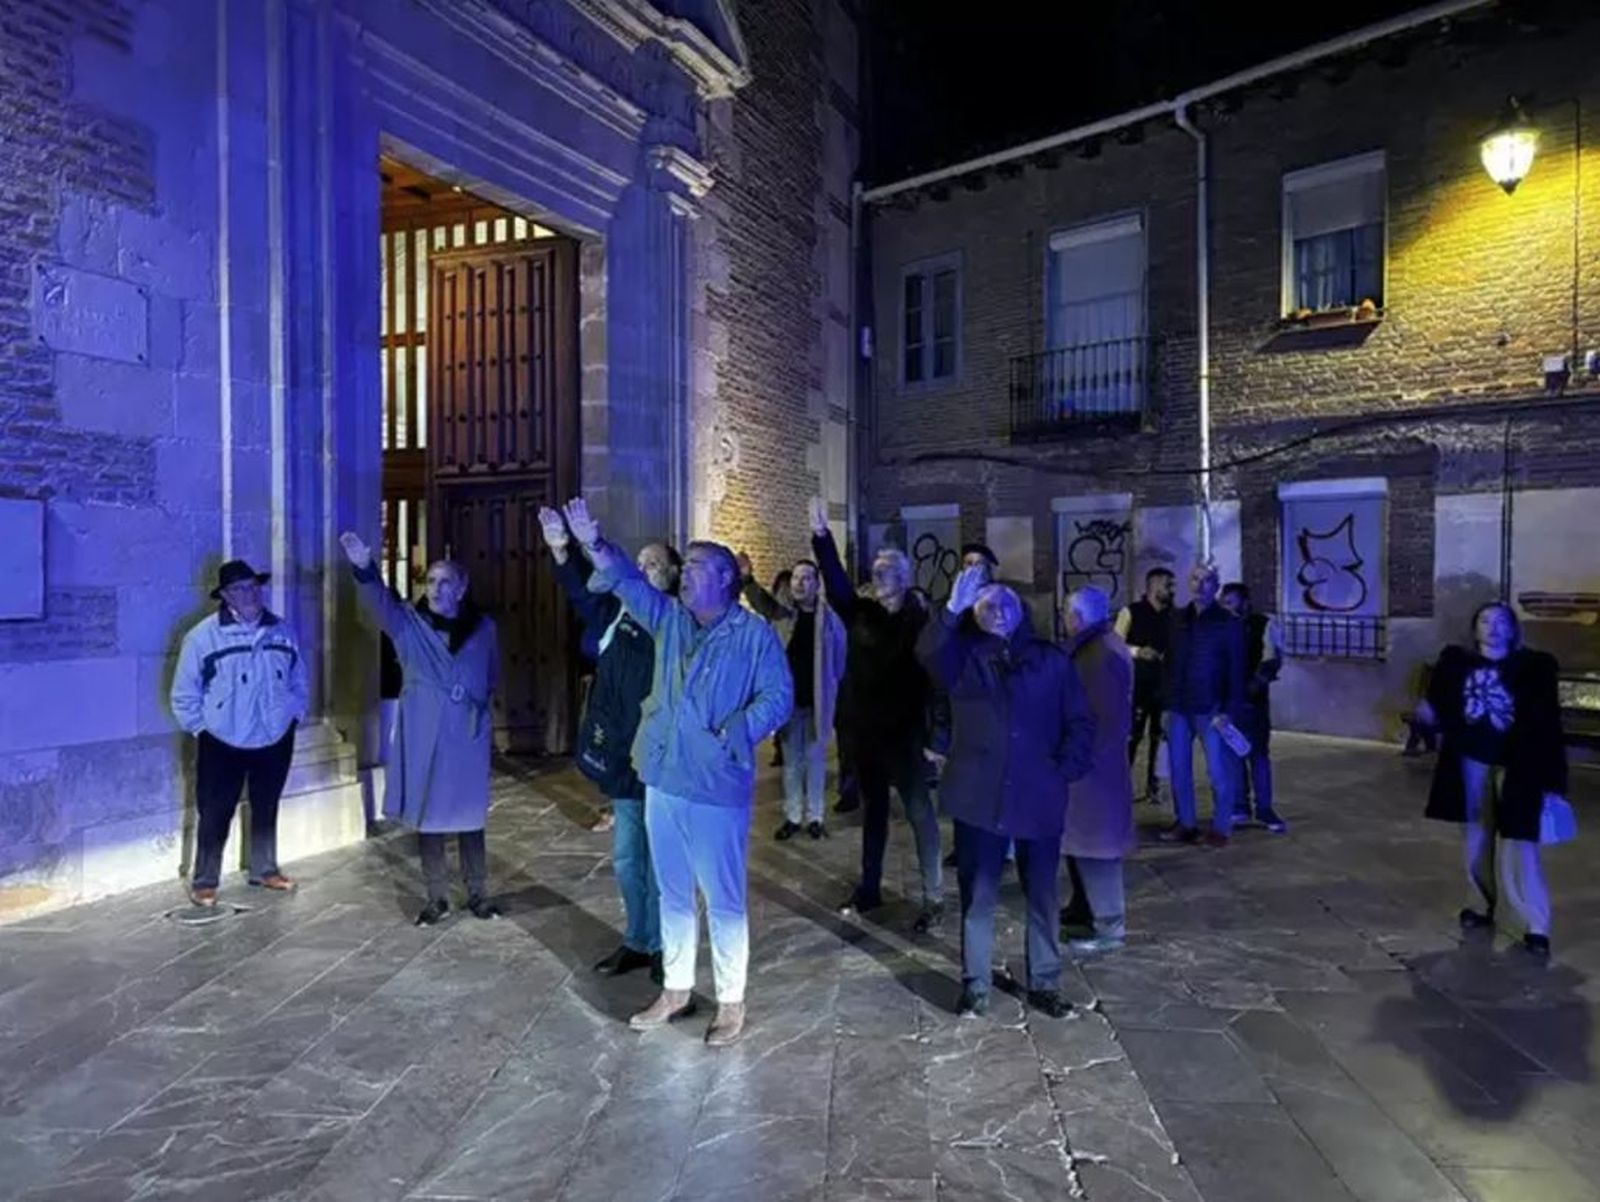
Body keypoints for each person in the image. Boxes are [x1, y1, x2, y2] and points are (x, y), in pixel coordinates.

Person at [563, 497, 792, 1046]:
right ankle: (676, 990)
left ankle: (731, 1002)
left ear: (725, 579)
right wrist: (593, 543)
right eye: (683, 566)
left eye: (695, 567)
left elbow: (779, 697)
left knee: (724, 899)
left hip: (715, 784)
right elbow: (627, 583)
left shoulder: (754, 636)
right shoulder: (669, 620)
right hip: (663, 776)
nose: (684, 575)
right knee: (672, 892)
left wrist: (737, 729)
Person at [918, 568, 1095, 1018]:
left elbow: (1079, 719)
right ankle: (975, 984)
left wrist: (1064, 768)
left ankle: (1045, 982)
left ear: (1021, 612)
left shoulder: (1051, 659)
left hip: (1038, 793)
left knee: (1042, 895)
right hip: (980, 797)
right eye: (987, 606)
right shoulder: (962, 658)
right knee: (978, 896)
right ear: (974, 615)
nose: (997, 611)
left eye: (1006, 604)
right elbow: (929, 653)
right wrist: (951, 610)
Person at [540, 506, 680, 983]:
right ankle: (637, 940)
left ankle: (665, 946)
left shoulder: (674, 619)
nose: (643, 570)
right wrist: (563, 551)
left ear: (673, 575)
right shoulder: (616, 613)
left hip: (661, 758)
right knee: (626, 858)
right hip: (623, 755)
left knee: (661, 861)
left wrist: (596, 546)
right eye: (638, 563)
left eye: (654, 564)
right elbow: (583, 593)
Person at [339, 532, 501, 926]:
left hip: (467, 734)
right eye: (430, 581)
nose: (436, 588)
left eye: (445, 581)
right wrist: (363, 568)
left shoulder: (483, 628)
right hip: (426, 733)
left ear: (461, 589)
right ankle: (436, 898)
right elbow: (379, 604)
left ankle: (479, 895)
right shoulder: (409, 624)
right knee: (431, 818)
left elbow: (491, 673)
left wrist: (473, 698)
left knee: (469, 817)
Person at [810, 500, 945, 933]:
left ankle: (934, 897)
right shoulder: (862, 614)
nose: (877, 575)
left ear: (904, 579)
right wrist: (821, 538)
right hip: (867, 733)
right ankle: (869, 887)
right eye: (875, 570)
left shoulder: (918, 621)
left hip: (905, 734)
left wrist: (935, 737)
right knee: (873, 814)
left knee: (920, 814)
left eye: (886, 571)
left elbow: (935, 679)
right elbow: (837, 586)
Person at [1416, 602, 1568, 959]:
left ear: (1513, 629)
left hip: (1519, 765)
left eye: (1501, 622)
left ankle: (1533, 924)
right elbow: (1439, 703)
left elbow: (1548, 724)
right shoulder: (1457, 664)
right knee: (1476, 837)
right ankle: (1480, 904)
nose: (1493, 628)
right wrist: (1429, 712)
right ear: (1475, 628)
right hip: (1471, 760)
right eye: (1485, 621)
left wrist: (1554, 780)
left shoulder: (1533, 668)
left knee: (1520, 844)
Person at [170, 560, 308, 905]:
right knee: (215, 810)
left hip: (274, 735)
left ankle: (265, 869)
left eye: (253, 586)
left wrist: (293, 714)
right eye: (239, 589)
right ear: (226, 596)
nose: (249, 594)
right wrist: (202, 729)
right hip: (222, 739)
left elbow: (299, 678)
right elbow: (184, 692)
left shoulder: (282, 631)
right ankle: (205, 880)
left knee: (267, 805)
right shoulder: (202, 637)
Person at [739, 553, 847, 841]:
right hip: (789, 703)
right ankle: (793, 816)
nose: (799, 583)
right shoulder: (784, 613)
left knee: (815, 761)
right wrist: (747, 579)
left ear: (817, 584)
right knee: (792, 762)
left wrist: (832, 690)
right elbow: (762, 603)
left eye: (806, 578)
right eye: (796, 577)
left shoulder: (830, 621)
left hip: (817, 702)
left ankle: (815, 817)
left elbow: (839, 661)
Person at [1060, 586, 1135, 954]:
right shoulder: (1099, 647)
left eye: (1066, 613)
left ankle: (1108, 925)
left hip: (1093, 770)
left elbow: (1100, 717)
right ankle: (1083, 908)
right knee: (1081, 842)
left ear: (1076, 618)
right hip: (1089, 767)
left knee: (1097, 847)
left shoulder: (1100, 655)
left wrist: (1073, 754)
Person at [1158, 563, 1247, 847]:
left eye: (1206, 580)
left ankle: (1220, 828)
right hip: (1179, 706)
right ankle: (1186, 823)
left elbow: (1237, 669)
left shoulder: (1228, 623)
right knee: (1179, 769)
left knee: (1218, 772)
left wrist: (1229, 710)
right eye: (1195, 579)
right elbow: (1169, 664)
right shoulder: (1177, 619)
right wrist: (1166, 704)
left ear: (1216, 586)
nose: (1199, 585)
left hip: (1211, 708)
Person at [1220, 583, 1288, 833]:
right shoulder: (1220, 626)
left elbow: (1273, 659)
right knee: (1233, 753)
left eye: (1230, 602)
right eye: (1224, 602)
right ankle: (1239, 806)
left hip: (1252, 702)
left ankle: (1265, 808)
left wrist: (1254, 685)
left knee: (1258, 755)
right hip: (1226, 701)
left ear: (1245, 601)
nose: (1226, 607)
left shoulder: (1264, 625)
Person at [1115, 568, 1175, 804]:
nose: (1171, 590)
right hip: (1136, 686)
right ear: (1154, 585)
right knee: (1132, 737)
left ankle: (1154, 786)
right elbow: (1114, 645)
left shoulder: (1173, 616)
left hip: (1165, 687)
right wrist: (1138, 651)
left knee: (1160, 739)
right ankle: (1120, 785)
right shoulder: (1130, 612)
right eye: (1168, 585)